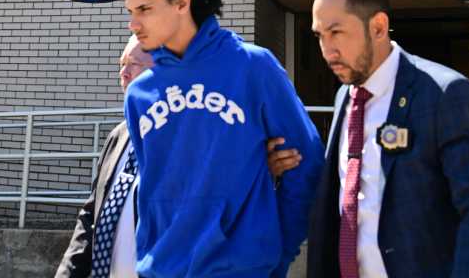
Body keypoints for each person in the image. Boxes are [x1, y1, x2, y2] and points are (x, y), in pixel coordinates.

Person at [122, 0, 324, 278]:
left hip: (242, 269)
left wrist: (278, 251)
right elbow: (151, 189)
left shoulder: (252, 66)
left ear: (181, 3)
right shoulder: (139, 94)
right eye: (130, 12)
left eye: (144, 9)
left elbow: (305, 161)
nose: (134, 24)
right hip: (160, 269)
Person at [305, 0, 469, 278]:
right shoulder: (344, 96)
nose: (327, 50)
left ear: (378, 27)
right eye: (320, 36)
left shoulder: (445, 94)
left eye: (336, 32)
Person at [57, 34, 302, 278]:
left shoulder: (198, 133)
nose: (123, 73)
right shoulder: (118, 136)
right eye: (121, 64)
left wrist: (261, 167)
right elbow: (92, 215)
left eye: (134, 64)